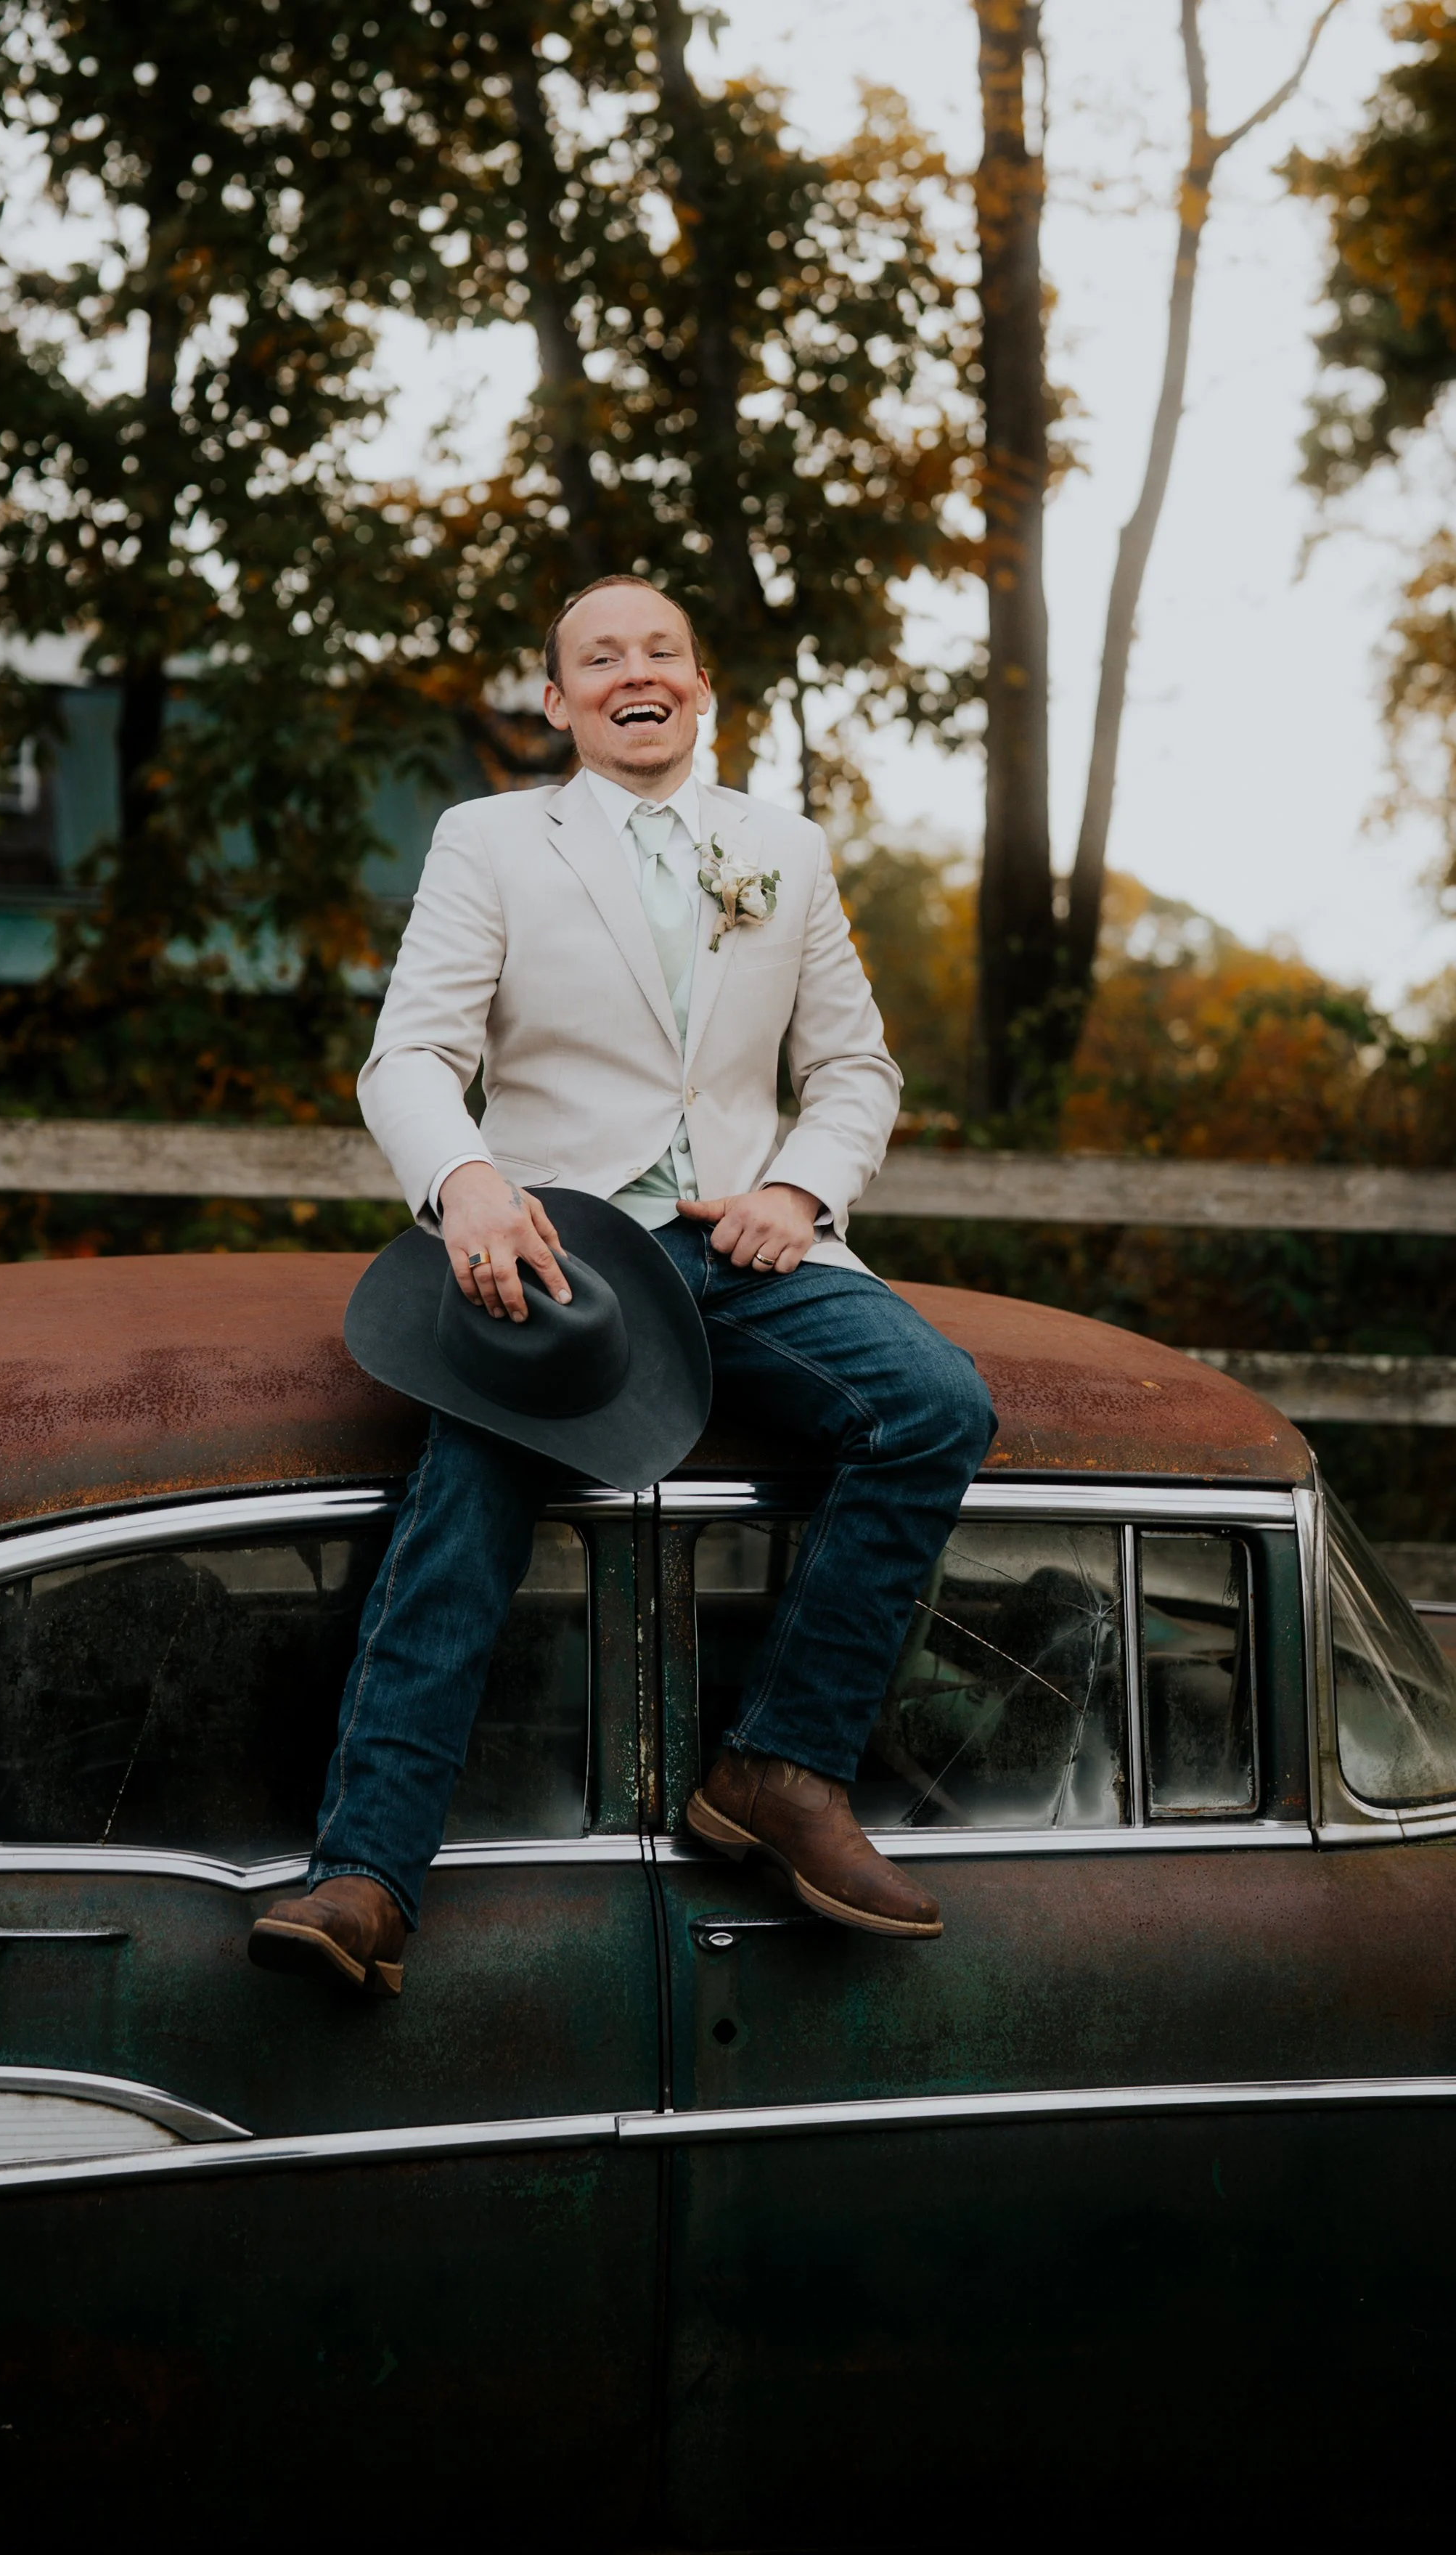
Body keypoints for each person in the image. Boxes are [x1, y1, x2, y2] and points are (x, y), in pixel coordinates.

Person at [248, 574, 996, 1998]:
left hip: (737, 1243)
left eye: (659, 649)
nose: (631, 672)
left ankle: (780, 1767)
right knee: (463, 1491)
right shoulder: (489, 839)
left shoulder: (780, 846)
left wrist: (795, 1188)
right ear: (558, 698)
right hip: (559, 1246)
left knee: (932, 1406)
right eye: (598, 656)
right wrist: (466, 1182)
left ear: (700, 683)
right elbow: (410, 1054)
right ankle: (364, 1873)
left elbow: (853, 1069)